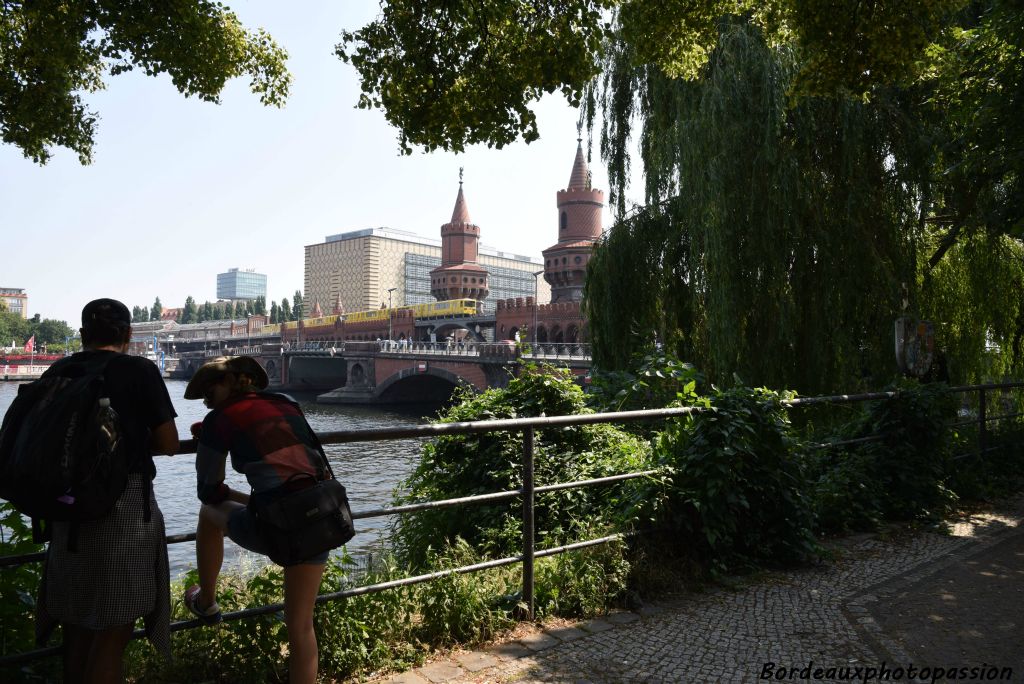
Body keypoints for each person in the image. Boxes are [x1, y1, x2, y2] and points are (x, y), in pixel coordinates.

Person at [36, 298, 179, 683]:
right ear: (129, 335)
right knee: (113, 634)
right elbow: (168, 441)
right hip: (124, 512)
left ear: (83, 335)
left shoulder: (59, 371)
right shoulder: (138, 370)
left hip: (67, 513)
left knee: (77, 630)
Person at [182, 356, 328, 684]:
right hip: (321, 515)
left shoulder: (219, 420)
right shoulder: (285, 402)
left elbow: (209, 492)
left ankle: (206, 602)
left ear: (232, 383)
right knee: (301, 625)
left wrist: (210, 438)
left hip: (280, 525)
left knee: (208, 515)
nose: (206, 398)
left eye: (210, 388)